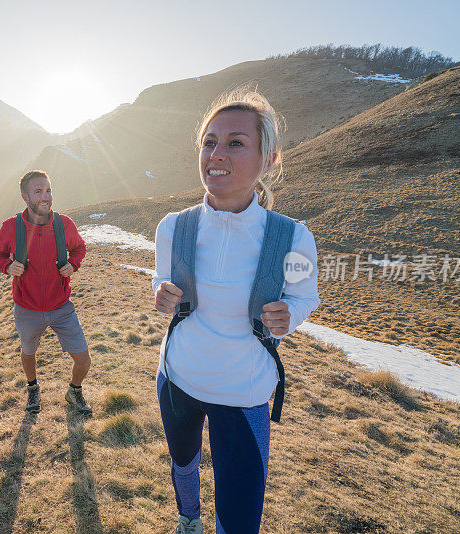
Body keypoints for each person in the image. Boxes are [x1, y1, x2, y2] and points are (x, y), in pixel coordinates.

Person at [153, 89, 320, 533]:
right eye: (209, 141)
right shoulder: (173, 226)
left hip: (244, 393)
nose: (217, 154)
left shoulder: (294, 237)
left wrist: (292, 315)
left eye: (236, 143)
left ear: (269, 160)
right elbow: (162, 281)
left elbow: (306, 296)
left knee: (241, 517)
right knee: (183, 465)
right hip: (177, 379)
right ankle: (188, 520)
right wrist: (162, 293)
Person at [0, 170, 93, 416]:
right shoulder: (10, 227)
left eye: (48, 190)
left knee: (84, 359)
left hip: (61, 306)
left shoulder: (64, 224)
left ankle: (74, 391)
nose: (46, 197)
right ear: (25, 197)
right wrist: (7, 266)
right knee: (29, 353)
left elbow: (79, 248)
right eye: (38, 192)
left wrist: (73, 264)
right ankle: (33, 388)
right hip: (26, 308)